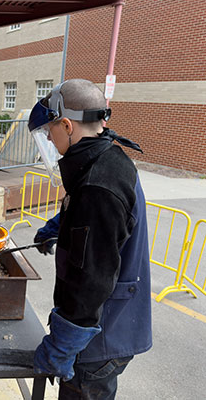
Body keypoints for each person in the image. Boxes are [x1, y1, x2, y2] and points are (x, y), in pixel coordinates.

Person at [28, 79, 152, 399]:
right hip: (108, 323)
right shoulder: (106, 158)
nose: (51, 141)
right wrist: (61, 224)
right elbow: (110, 222)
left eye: (50, 132)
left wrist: (62, 346)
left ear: (67, 125)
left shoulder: (99, 184)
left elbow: (90, 280)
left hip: (98, 336)